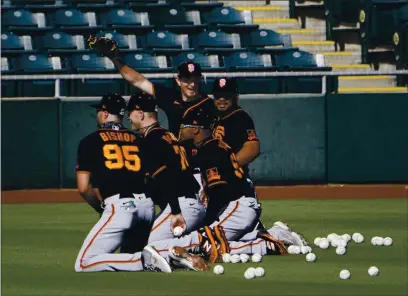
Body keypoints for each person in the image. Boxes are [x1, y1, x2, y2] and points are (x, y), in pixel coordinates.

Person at [74, 93, 172, 272]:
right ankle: (169, 256)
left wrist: (99, 207)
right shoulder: (140, 140)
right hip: (147, 207)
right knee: (125, 259)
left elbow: (83, 187)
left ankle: (145, 261)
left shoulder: (90, 141)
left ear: (104, 113)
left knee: (84, 263)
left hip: (121, 207)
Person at [126, 93, 206, 243]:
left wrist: (175, 211)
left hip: (181, 207)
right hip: (191, 203)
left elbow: (164, 177)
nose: (128, 117)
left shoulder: (151, 140)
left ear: (140, 114)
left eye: (130, 112)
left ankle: (201, 242)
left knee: (146, 246)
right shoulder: (167, 135)